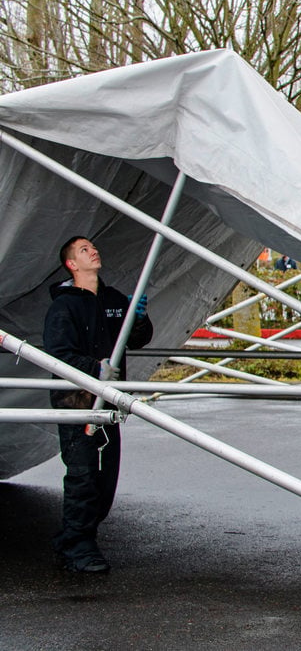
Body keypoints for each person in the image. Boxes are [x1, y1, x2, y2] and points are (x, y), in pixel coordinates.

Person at [43, 236, 153, 573]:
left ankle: (74, 539)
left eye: (93, 247)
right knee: (83, 475)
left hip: (108, 402)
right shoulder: (64, 307)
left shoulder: (112, 300)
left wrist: (138, 317)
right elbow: (58, 354)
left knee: (105, 478)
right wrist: (95, 368)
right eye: (83, 250)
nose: (93, 251)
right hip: (77, 401)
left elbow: (138, 339)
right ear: (71, 265)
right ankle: (78, 545)